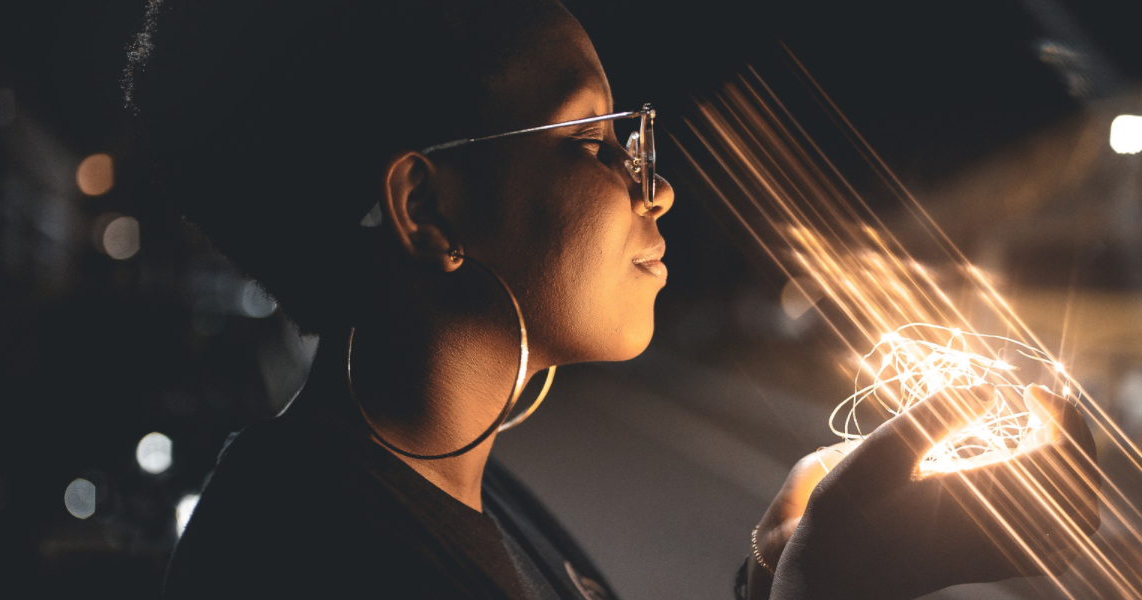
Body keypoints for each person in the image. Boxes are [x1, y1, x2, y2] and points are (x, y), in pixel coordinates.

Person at [124, 0, 1101, 598]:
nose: (655, 185)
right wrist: (827, 586)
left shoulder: (457, 487)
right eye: (594, 139)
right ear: (425, 208)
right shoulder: (309, 567)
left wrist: (764, 586)